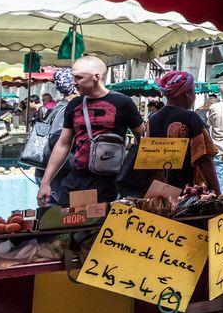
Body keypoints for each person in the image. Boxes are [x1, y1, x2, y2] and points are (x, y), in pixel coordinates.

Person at [37, 57, 144, 205]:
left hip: (109, 182)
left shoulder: (123, 103)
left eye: (79, 77)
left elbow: (142, 139)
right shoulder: (74, 104)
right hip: (77, 179)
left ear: (96, 77)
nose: (74, 82)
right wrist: (45, 182)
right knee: (69, 222)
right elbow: (63, 144)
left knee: (99, 225)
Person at [147, 71, 220, 192]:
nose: (195, 96)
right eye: (193, 92)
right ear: (187, 93)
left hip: (159, 190)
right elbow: (205, 159)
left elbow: (148, 159)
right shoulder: (191, 118)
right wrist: (218, 192)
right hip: (189, 190)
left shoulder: (153, 119)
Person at [32, 68, 78, 206]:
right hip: (59, 173)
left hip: (49, 171)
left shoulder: (58, 107)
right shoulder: (66, 108)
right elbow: (57, 138)